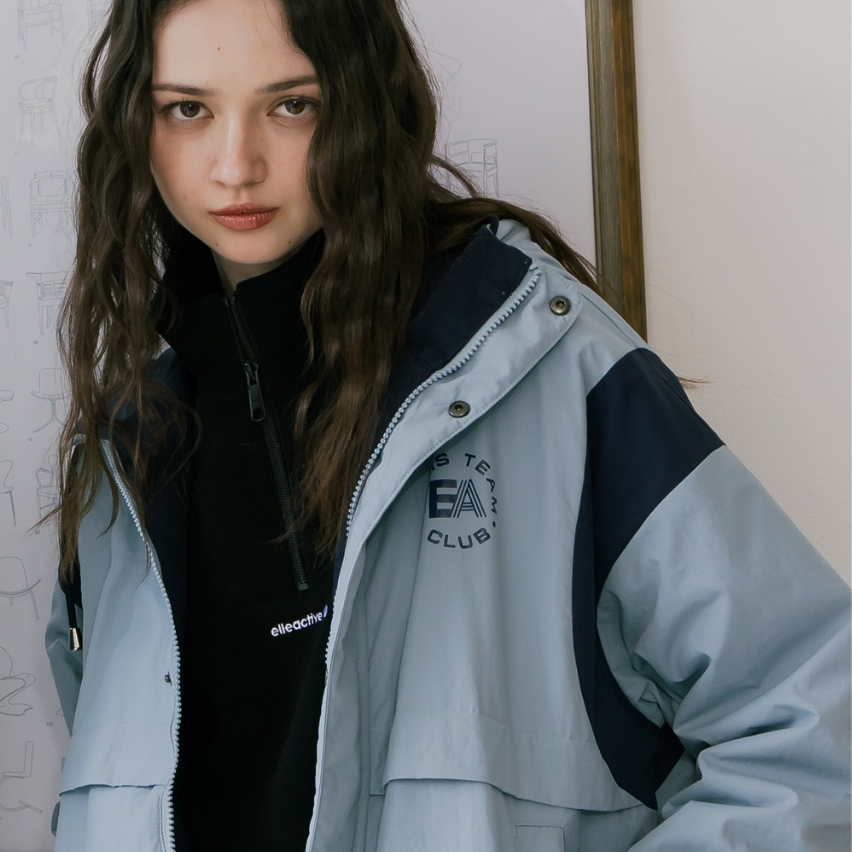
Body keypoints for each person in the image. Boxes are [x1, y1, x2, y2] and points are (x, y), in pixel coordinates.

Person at [45, 0, 850, 850]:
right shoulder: (123, 452)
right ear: (135, 124)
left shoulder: (547, 371)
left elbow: (815, 724)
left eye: (293, 104)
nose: (235, 165)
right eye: (188, 109)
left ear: (364, 103)